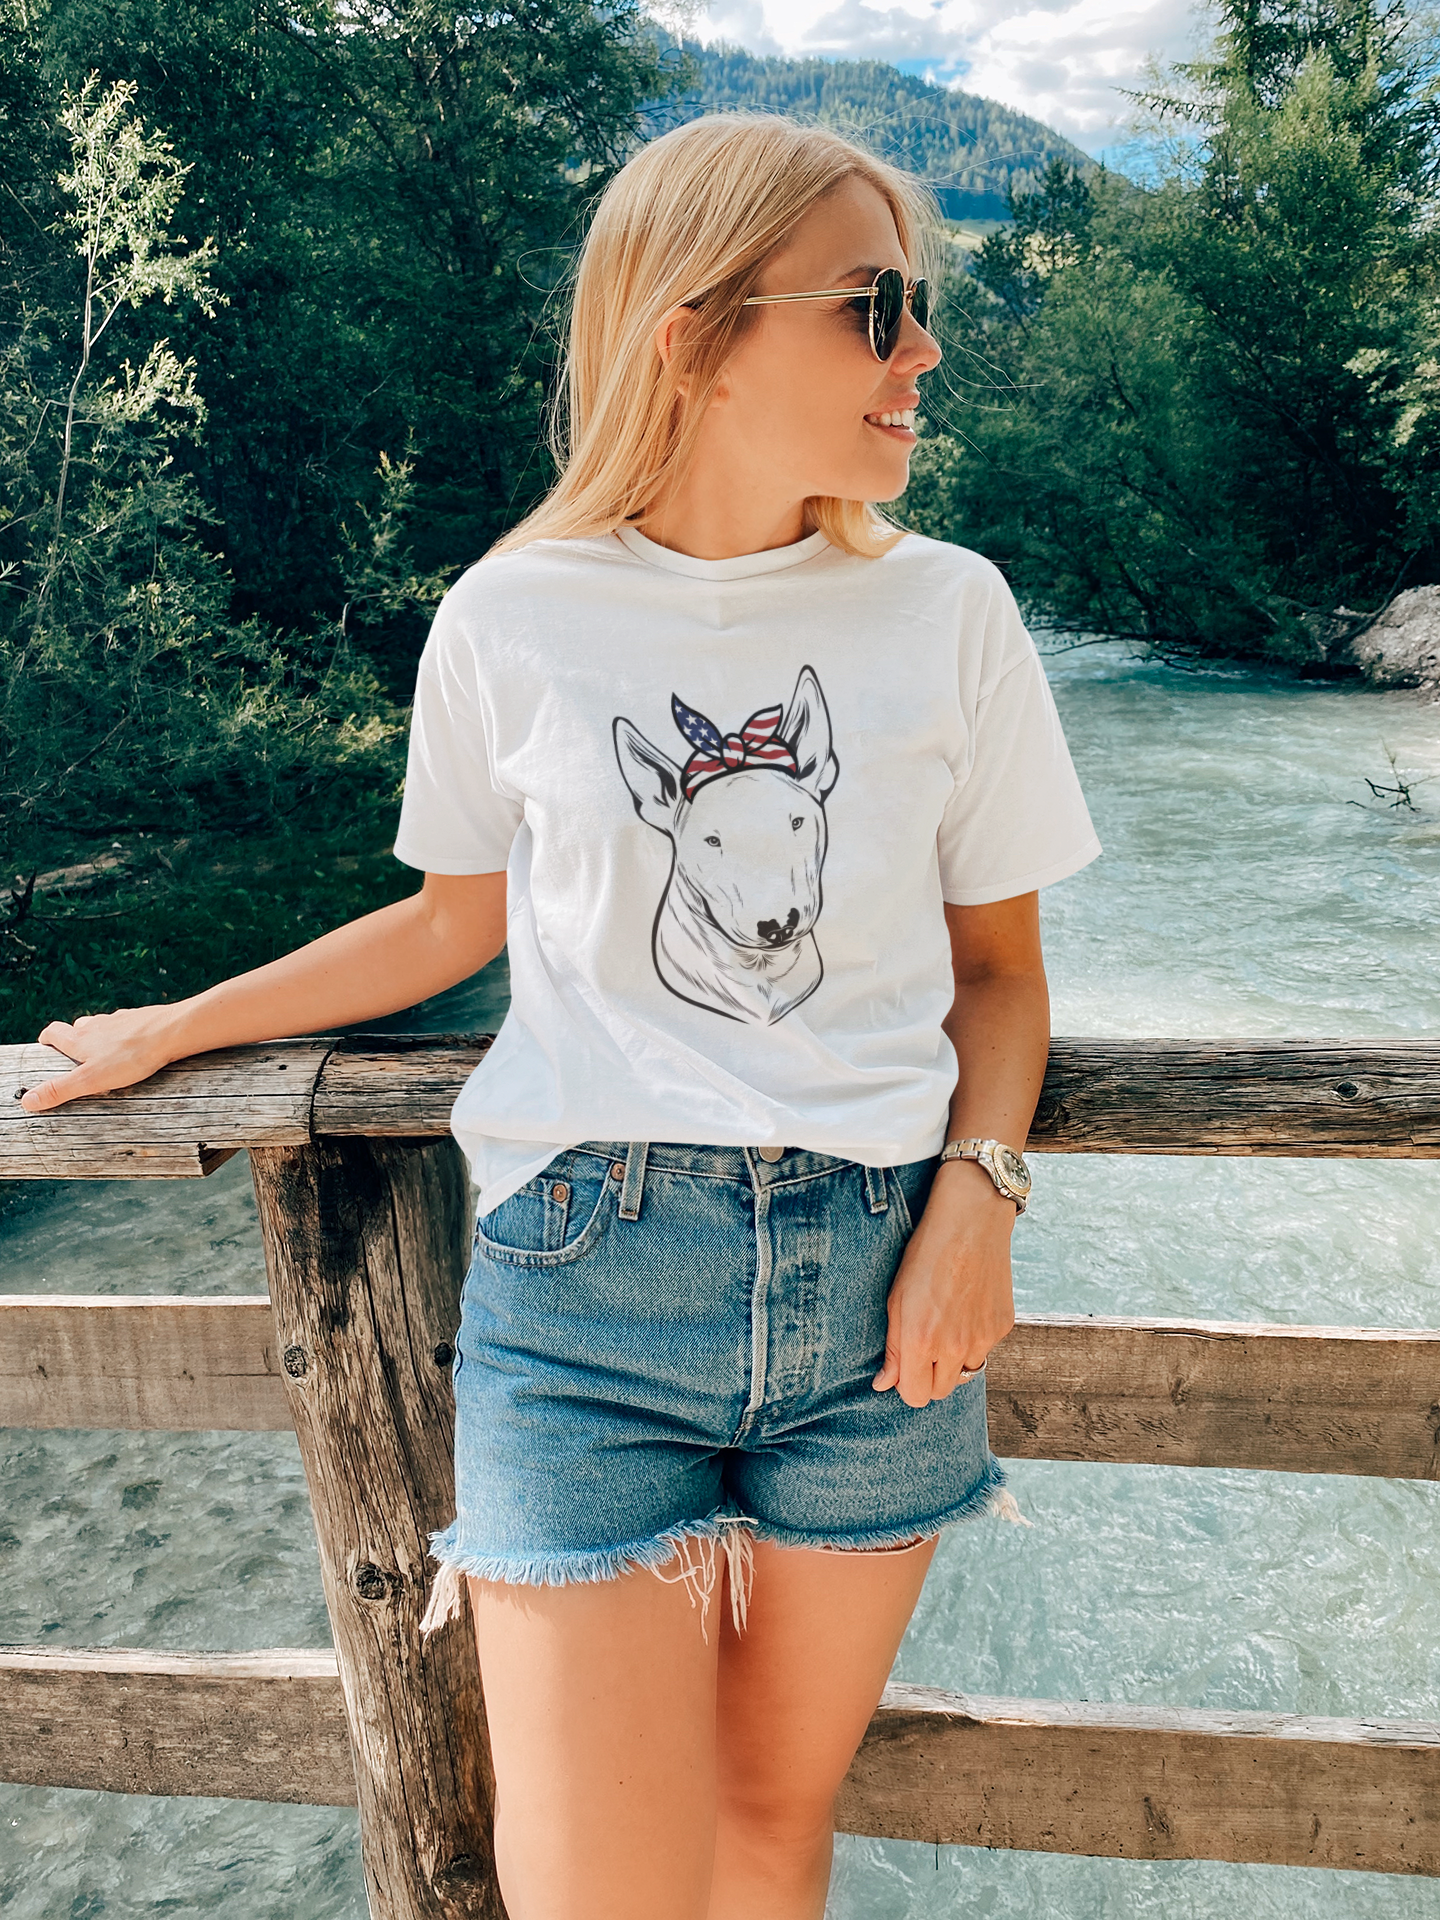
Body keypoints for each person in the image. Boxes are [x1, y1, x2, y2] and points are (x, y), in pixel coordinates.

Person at [21, 113, 1100, 1920]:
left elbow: (1003, 973)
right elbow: (450, 923)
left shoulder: (952, 612)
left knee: (767, 1827)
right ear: (695, 331)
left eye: (915, 306)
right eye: (876, 305)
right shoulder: (512, 613)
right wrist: (177, 1025)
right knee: (593, 1886)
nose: (921, 350)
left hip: (883, 1276)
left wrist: (980, 1199)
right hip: (584, 1290)